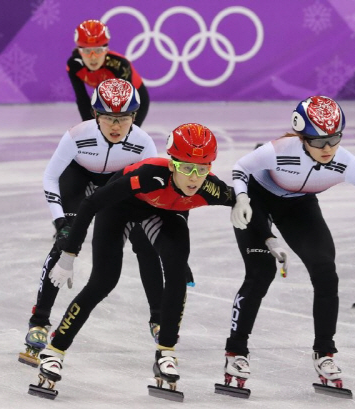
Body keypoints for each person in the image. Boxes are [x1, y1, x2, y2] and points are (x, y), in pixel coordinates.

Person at [223, 96, 355, 391]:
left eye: (334, 139)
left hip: (298, 206)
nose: (328, 149)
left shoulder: (345, 162)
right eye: (318, 141)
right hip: (256, 200)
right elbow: (239, 168)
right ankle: (236, 350)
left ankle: (324, 352)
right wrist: (242, 197)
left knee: (325, 270)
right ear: (302, 137)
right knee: (260, 272)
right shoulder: (281, 150)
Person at [30, 123, 236, 399]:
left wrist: (261, 229)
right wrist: (69, 254)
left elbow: (245, 199)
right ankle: (55, 350)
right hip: (120, 209)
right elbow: (91, 205)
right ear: (172, 163)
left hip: (163, 215)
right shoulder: (149, 175)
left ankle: (166, 352)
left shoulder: (212, 188)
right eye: (186, 168)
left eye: (202, 169)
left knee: (176, 272)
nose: (194, 178)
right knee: (103, 281)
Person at [19, 78, 163, 367]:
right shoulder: (76, 136)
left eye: (123, 118)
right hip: (79, 179)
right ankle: (39, 321)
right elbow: (50, 177)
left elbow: (154, 190)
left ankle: (159, 319)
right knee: (64, 244)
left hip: (120, 183)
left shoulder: (143, 143)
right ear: (96, 115)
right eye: (109, 117)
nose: (116, 125)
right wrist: (60, 222)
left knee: (146, 244)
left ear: (134, 117)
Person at [68, 19, 150, 126]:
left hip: (135, 100)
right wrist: (89, 128)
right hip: (107, 96)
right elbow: (82, 99)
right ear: (79, 51)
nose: (93, 57)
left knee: (123, 135)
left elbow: (125, 104)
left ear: (106, 49)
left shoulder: (120, 65)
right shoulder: (74, 66)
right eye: (87, 51)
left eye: (98, 50)